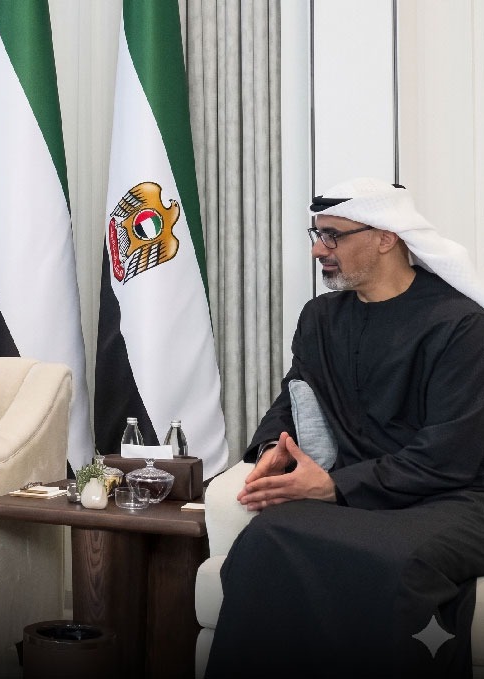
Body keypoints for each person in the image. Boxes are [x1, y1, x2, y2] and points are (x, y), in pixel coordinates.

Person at [205, 178, 484, 678]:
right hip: (356, 495)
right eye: (317, 234)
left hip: (452, 498)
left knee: (395, 565)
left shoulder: (461, 324)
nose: (318, 249)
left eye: (333, 235)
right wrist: (273, 449)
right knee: (267, 538)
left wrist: (333, 487)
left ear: (386, 237)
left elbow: (448, 455)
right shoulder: (321, 317)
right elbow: (294, 398)